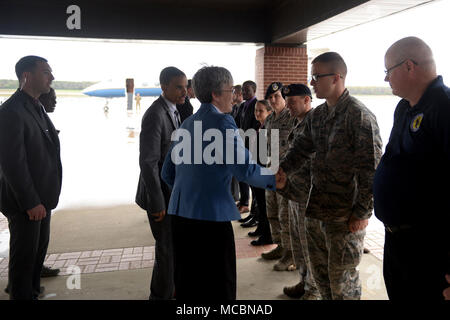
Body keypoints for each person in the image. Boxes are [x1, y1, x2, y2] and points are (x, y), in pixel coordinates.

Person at [161, 66, 281, 300]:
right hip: (211, 219)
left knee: (188, 284)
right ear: (216, 94)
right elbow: (245, 169)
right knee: (219, 287)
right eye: (231, 90)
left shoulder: (187, 124)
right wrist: (277, 181)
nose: (235, 96)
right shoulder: (224, 123)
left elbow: (167, 173)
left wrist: (191, 190)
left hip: (180, 217)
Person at [277, 52, 383, 300]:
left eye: (316, 77)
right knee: (322, 281)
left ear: (336, 77)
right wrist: (281, 172)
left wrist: (362, 212)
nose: (312, 83)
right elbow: (300, 149)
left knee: (342, 285)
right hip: (316, 213)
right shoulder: (319, 115)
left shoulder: (359, 115)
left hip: (344, 218)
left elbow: (371, 169)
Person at [373, 36, 450, 300]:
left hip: (430, 248)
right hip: (397, 241)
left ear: (409, 67)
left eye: (388, 71)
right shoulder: (404, 108)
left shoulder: (445, 107)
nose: (386, 79)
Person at [0, 56, 62, 299]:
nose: (52, 77)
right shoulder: (11, 112)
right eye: (46, 72)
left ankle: (32, 291)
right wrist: (30, 202)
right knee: (24, 258)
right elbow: (13, 164)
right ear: (27, 76)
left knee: (36, 253)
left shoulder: (34, 105)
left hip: (42, 198)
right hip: (26, 202)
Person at [135, 66, 187, 300]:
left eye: (185, 87)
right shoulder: (156, 114)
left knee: (172, 249)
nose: (184, 92)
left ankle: (169, 291)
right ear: (164, 86)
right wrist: (157, 203)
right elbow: (148, 162)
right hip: (160, 197)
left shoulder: (175, 110)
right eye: (178, 87)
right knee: (166, 251)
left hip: (171, 193)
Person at [276, 84, 319, 299]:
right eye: (287, 101)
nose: (288, 106)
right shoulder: (297, 122)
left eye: (292, 102)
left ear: (306, 100)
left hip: (308, 197)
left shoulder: (315, 123)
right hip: (293, 193)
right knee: (298, 244)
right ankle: (304, 281)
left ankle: (314, 289)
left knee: (310, 246)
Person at [261, 82, 297, 272]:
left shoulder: (292, 118)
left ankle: (291, 254)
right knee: (272, 212)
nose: (273, 100)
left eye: (277, 96)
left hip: (285, 174)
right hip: (269, 170)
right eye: (271, 97)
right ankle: (280, 246)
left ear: (284, 98)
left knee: (285, 216)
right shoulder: (269, 120)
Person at [248, 99, 273, 246]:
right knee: (258, 203)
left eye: (261, 111)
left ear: (269, 112)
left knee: (265, 206)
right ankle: (261, 228)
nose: (257, 113)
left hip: (264, 173)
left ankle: (267, 235)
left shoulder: (269, 129)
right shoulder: (260, 126)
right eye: (256, 110)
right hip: (256, 171)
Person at [235, 81, 259, 217]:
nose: (244, 93)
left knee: (254, 184)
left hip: (252, 149)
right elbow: (237, 124)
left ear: (254, 91)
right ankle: (250, 210)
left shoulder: (257, 105)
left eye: (247, 90)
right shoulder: (243, 106)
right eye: (243, 91)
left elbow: (256, 129)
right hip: (242, 147)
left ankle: (253, 212)